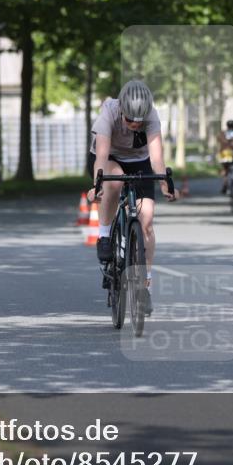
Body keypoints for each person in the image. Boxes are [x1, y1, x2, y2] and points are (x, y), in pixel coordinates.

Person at [87, 80, 176, 313]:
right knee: (114, 181)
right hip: (110, 159)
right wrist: (97, 185)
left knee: (146, 220)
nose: (135, 126)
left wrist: (165, 183)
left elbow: (157, 158)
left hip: (140, 160)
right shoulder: (109, 112)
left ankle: (144, 283)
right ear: (122, 112)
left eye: (139, 122)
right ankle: (105, 235)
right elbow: (102, 154)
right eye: (129, 121)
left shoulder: (152, 116)